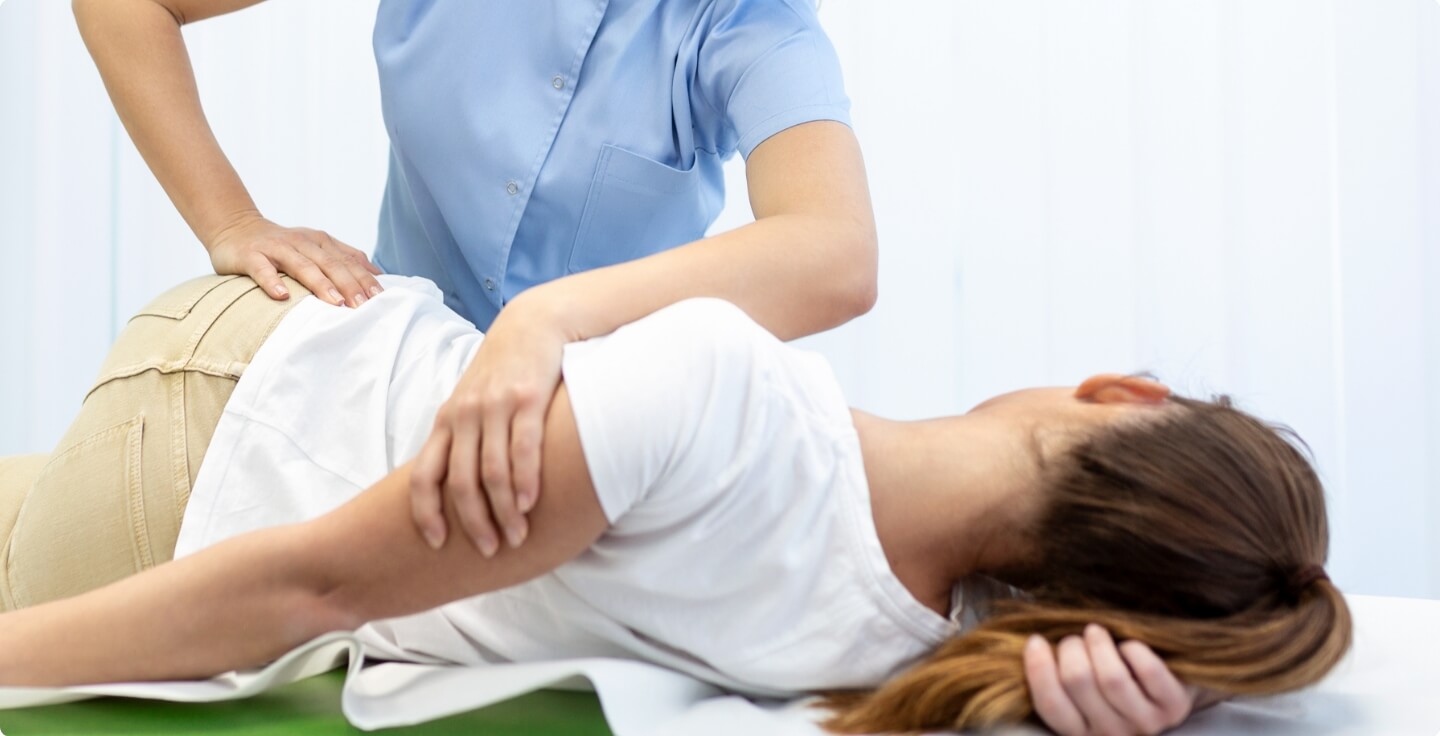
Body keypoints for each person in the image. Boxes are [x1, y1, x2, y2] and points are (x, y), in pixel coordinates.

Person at [0, 275, 1352, 735]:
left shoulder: (726, 396)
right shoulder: (908, 658)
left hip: (224, 416)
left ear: (1123, 394)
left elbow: (314, 589)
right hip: (204, 456)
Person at [72, 0, 881, 569]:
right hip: (355, 402)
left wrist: (549, 320)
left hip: (559, 464)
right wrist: (232, 221)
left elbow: (836, 251)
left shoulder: (745, 22)